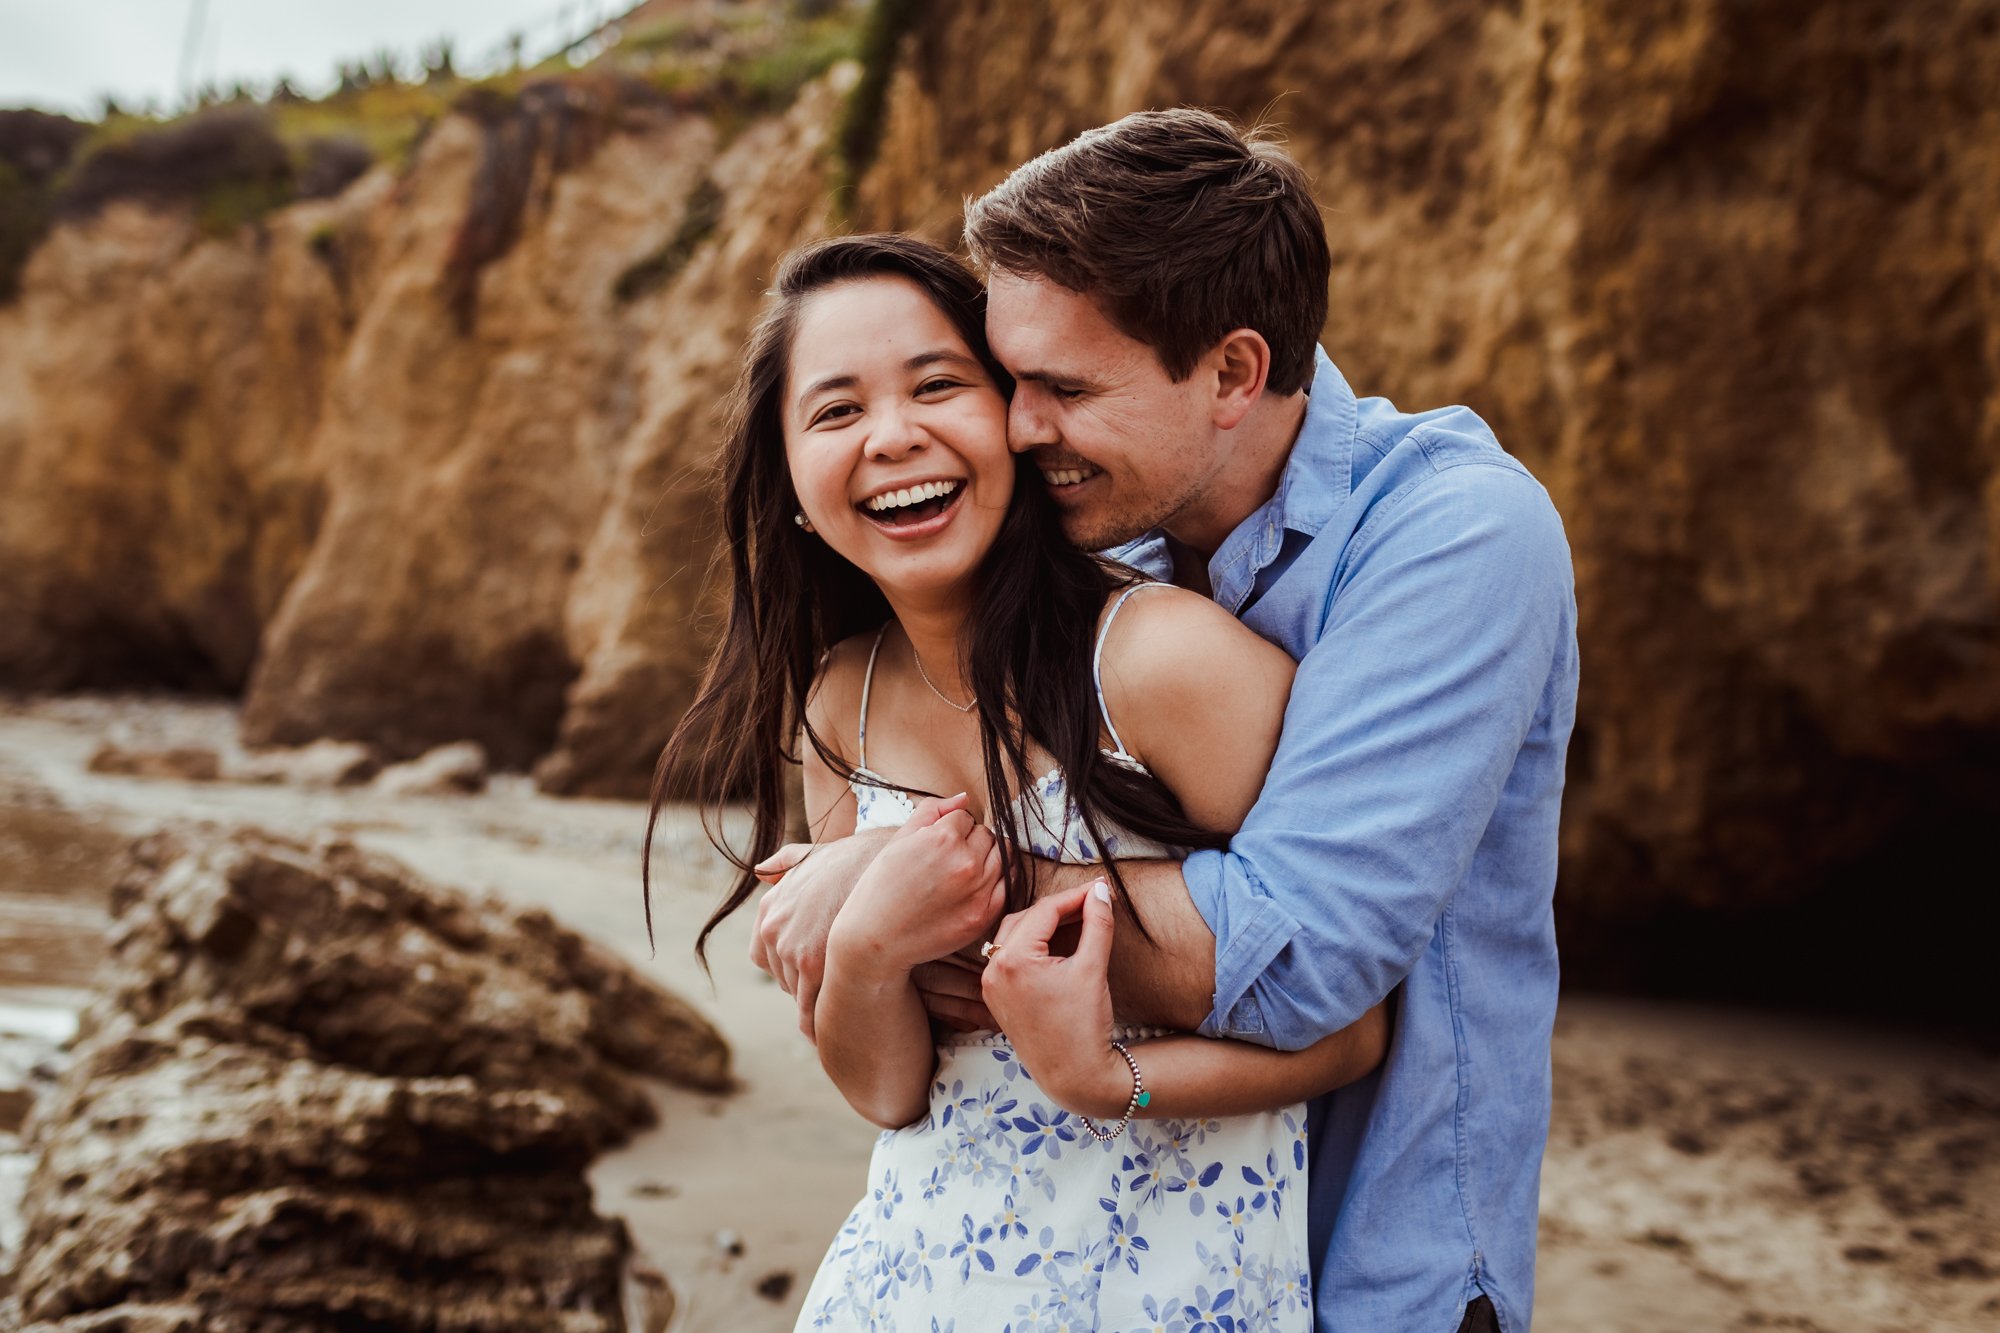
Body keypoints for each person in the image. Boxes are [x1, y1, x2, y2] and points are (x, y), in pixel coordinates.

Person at [751, 110, 1581, 1333]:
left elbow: (1302, 956)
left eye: (1061, 388)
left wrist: (888, 879)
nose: (1020, 428)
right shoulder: (1103, 534)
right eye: (1008, 378)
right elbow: (896, 1067)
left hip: (1371, 1255)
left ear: (1232, 375)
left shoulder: (1454, 534)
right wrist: (872, 937)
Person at [646, 232, 1388, 1329]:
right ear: (793, 486)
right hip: (907, 1286)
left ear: (1018, 420)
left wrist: (1104, 1076)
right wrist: (864, 949)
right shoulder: (834, 702)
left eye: (937, 386)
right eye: (835, 411)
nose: (893, 438)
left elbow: (1352, 1026)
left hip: (1171, 1294)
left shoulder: (1157, 663)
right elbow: (891, 1093)